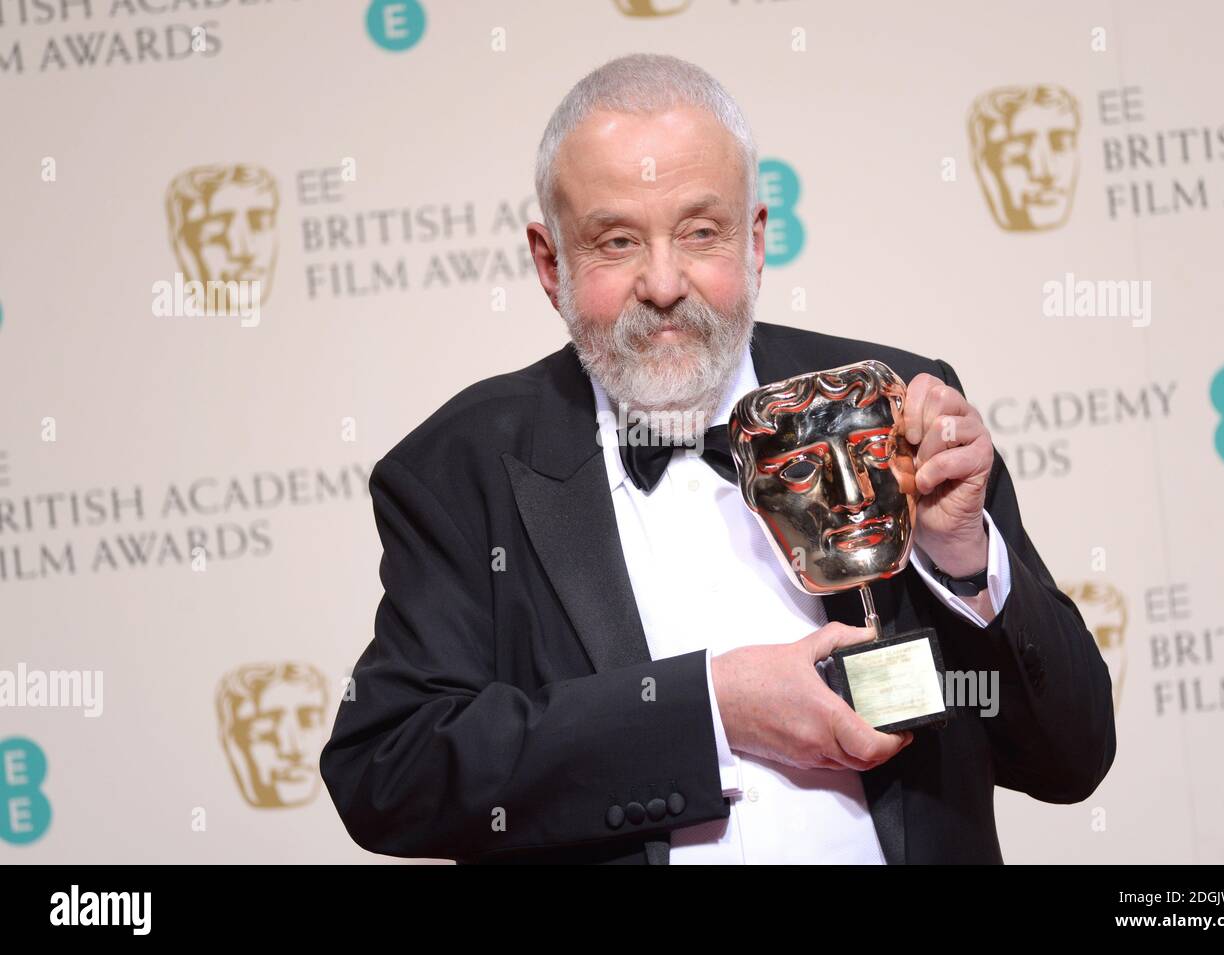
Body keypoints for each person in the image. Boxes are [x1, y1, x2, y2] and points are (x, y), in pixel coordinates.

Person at [319, 53, 1115, 864]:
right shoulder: (460, 470)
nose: (664, 283)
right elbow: (389, 769)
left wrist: (964, 561)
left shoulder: (893, 407)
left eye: (701, 232)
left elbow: (1073, 756)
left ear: (758, 239)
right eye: (617, 240)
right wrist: (707, 711)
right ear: (550, 262)